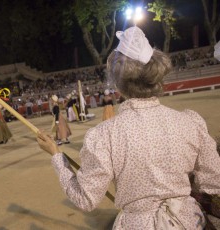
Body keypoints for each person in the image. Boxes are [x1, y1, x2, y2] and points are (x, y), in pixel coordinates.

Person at [36, 26, 220, 229]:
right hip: (189, 221)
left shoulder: (105, 135)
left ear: (117, 84)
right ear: (158, 77)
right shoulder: (189, 122)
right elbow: (213, 181)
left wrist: (56, 156)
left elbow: (85, 199)